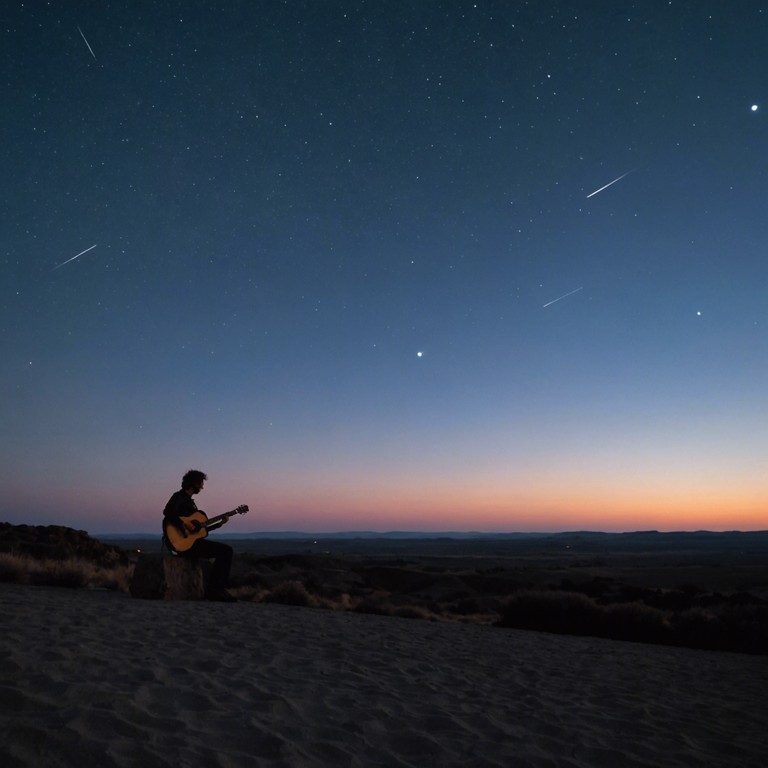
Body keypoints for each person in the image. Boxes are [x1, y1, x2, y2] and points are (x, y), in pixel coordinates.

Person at [162, 469, 236, 602]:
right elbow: (168, 512)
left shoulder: (191, 503)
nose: (202, 487)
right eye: (201, 483)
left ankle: (218, 590)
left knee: (225, 551)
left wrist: (220, 523)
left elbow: (201, 530)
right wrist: (183, 525)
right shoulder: (178, 497)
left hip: (192, 543)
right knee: (226, 551)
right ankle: (215, 591)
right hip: (181, 543)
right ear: (194, 483)